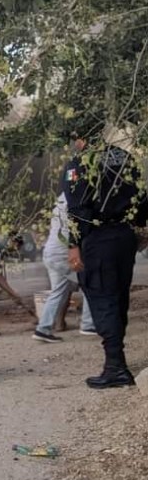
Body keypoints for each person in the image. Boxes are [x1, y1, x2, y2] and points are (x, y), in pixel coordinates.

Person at [65, 136, 148, 388]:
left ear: (79, 137)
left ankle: (115, 367)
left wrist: (73, 244)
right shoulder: (124, 157)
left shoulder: (79, 163)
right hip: (124, 236)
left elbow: (78, 208)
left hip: (98, 238)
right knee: (118, 296)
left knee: (102, 296)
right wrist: (139, 227)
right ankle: (116, 361)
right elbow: (142, 196)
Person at [32, 191, 96, 343]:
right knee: (90, 283)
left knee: (57, 292)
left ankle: (43, 329)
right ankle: (88, 324)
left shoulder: (61, 200)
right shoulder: (79, 199)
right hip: (63, 254)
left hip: (50, 252)